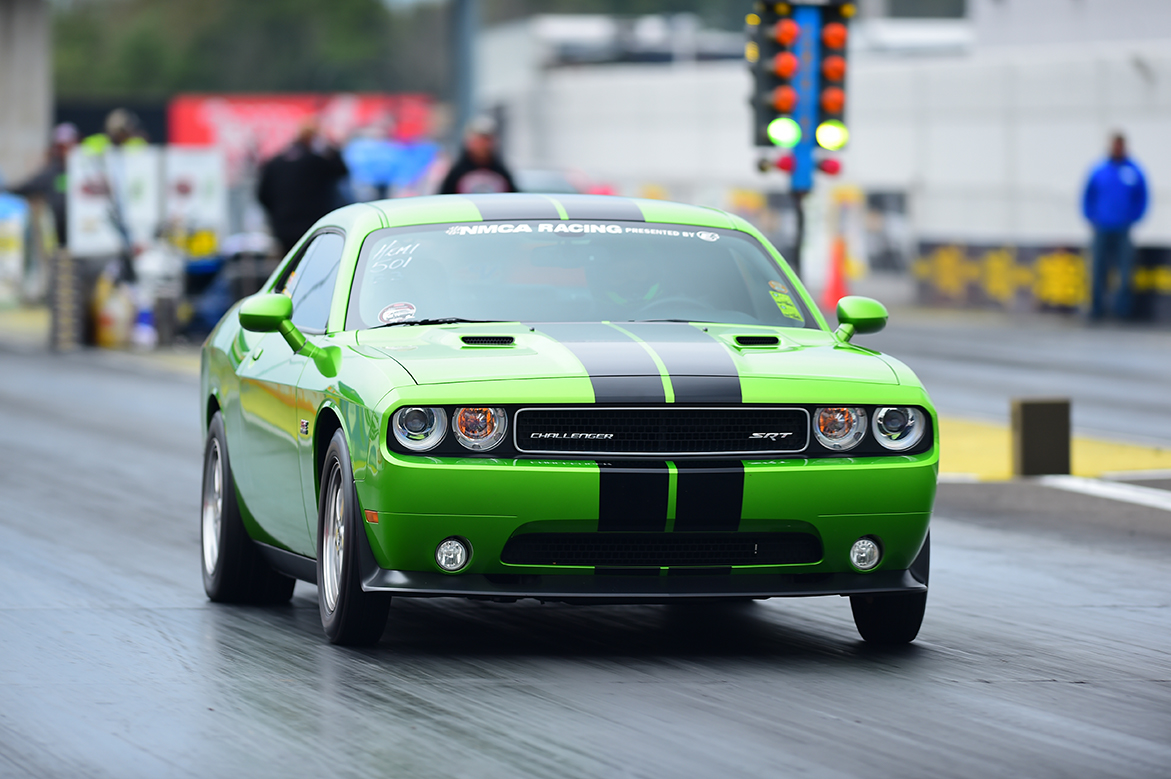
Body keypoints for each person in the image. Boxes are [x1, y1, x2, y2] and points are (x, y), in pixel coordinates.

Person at [1082, 132, 1148, 320]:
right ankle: (1097, 309)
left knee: (1125, 271)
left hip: (1123, 228)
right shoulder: (1099, 170)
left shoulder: (1134, 171)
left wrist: (1133, 218)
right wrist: (1091, 217)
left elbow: (1142, 198)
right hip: (1101, 227)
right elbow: (1088, 196)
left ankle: (1122, 311)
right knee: (1098, 270)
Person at [258, 120, 349, 254]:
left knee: (291, 267)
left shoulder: (276, 162)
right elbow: (342, 170)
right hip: (314, 226)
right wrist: (329, 147)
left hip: (283, 227)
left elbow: (262, 195)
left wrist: (277, 215)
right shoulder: (316, 162)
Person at [7, 123, 78, 247]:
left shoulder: (85, 172)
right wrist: (6, 189)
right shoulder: (50, 173)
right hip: (57, 238)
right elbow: (26, 187)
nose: (64, 151)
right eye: (60, 147)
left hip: (81, 235)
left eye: (67, 146)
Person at [438, 116, 517, 195]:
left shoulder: (501, 172)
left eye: (486, 140)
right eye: (478, 140)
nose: (482, 145)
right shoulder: (457, 172)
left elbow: (514, 197)